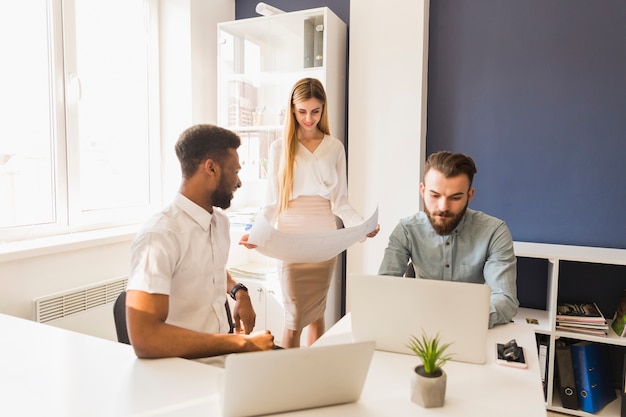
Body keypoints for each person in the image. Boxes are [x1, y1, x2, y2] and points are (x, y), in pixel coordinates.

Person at [240, 78, 379, 348]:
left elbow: (340, 202)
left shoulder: (335, 147)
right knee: (293, 319)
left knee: (317, 314)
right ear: (292, 109)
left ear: (323, 109)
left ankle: (314, 375)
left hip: (325, 242)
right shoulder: (280, 147)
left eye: (315, 111)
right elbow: (271, 203)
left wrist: (361, 226)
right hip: (290, 240)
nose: (308, 118)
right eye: (302, 111)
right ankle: (288, 380)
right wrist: (256, 233)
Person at [126, 124, 275, 360]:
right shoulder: (160, 236)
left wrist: (240, 292)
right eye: (235, 172)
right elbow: (145, 338)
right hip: (181, 369)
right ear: (211, 168)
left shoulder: (220, 223)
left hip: (220, 359)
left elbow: (209, 269)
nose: (239, 183)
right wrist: (241, 343)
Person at [378, 151, 518, 328]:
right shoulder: (407, 230)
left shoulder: (494, 232)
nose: (443, 207)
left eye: (455, 197)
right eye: (435, 195)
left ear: (470, 195)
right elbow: (384, 289)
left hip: (471, 326)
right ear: (422, 190)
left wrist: (465, 320)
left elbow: (505, 299)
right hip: (419, 326)